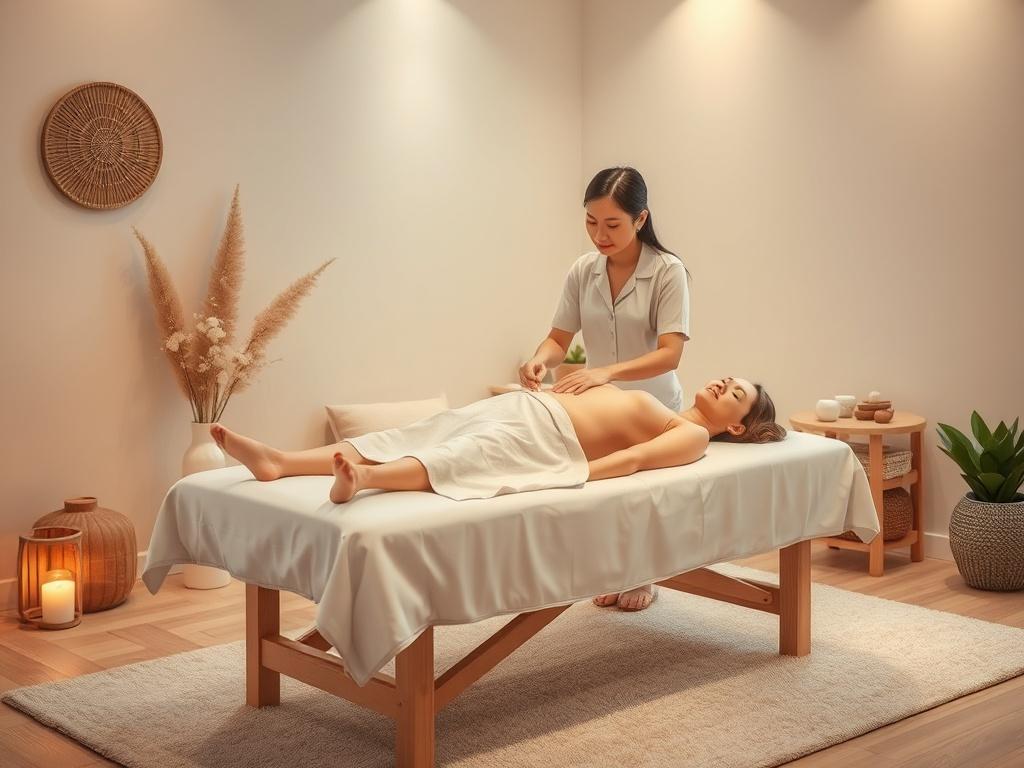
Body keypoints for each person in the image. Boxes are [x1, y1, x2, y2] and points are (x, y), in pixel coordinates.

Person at [210, 375, 785, 516]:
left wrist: (573, 476)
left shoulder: (690, 436)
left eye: (734, 393)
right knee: (413, 433)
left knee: (455, 458)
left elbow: (632, 460)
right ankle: (279, 462)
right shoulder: (670, 403)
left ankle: (365, 480)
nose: (722, 384)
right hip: (528, 407)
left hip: (548, 440)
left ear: (735, 425)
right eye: (727, 377)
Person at [519, 166, 691, 611]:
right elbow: (558, 340)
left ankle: (643, 575)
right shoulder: (583, 271)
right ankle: (616, 571)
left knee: (641, 497)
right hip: (601, 406)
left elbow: (670, 353)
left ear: (640, 219)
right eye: (591, 223)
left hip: (654, 405)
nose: (600, 235)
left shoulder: (668, 272)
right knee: (605, 494)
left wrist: (606, 373)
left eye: (612, 224)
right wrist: (540, 359)